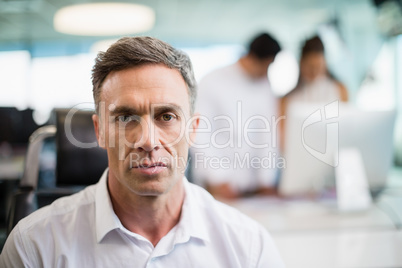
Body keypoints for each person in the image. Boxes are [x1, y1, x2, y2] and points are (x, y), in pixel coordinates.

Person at [0, 37, 284, 267]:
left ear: (194, 129)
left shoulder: (248, 247)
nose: (147, 141)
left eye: (167, 116)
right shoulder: (34, 247)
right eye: (125, 118)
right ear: (99, 131)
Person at [192, 33, 282, 199]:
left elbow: (268, 135)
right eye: (266, 65)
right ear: (252, 58)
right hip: (217, 186)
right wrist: (217, 177)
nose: (266, 72)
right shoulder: (213, 81)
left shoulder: (265, 86)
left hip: (252, 189)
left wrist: (266, 178)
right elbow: (199, 132)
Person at [279, 35, 348, 150]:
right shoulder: (288, 99)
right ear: (301, 63)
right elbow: (283, 140)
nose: (314, 72)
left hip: (330, 152)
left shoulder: (340, 90)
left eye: (318, 66)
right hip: (299, 155)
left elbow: (346, 128)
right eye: (310, 67)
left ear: (325, 63)